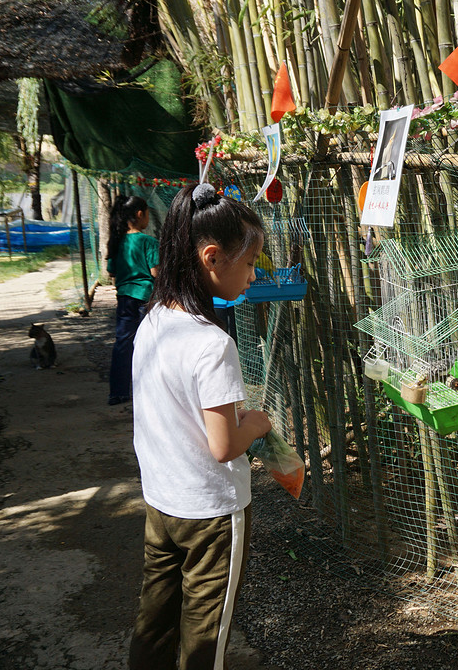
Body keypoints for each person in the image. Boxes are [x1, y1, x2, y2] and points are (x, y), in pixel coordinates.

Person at [128, 182, 272, 670]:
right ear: (212, 257)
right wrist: (255, 424)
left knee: (157, 615)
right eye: (250, 263)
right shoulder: (213, 345)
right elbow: (224, 444)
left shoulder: (153, 320)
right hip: (211, 513)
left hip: (162, 499)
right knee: (206, 633)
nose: (253, 276)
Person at [106, 195, 158, 405]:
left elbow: (112, 272)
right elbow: (156, 273)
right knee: (151, 344)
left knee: (123, 343)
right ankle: (151, 391)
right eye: (146, 214)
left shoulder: (116, 241)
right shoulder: (149, 241)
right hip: (146, 298)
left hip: (125, 298)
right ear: (140, 214)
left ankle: (118, 392)